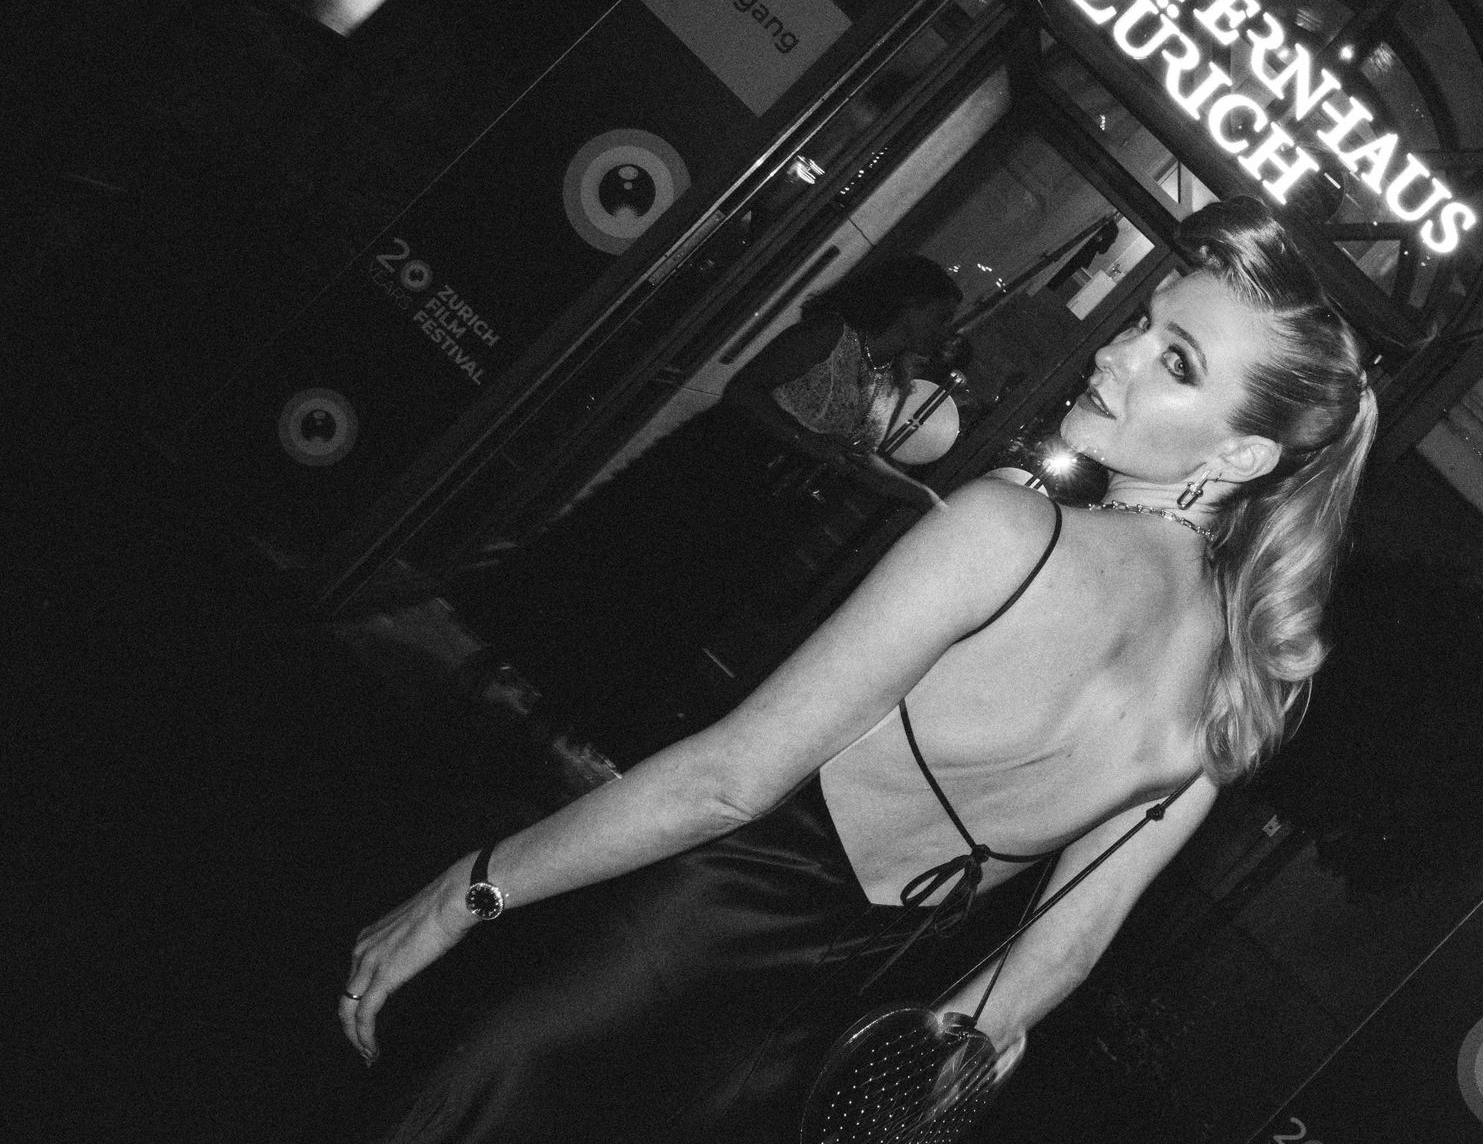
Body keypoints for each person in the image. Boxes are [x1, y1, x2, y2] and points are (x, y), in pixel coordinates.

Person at [339, 197, 1377, 1142]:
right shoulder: (1237, 688)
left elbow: (725, 781)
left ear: (1241, 454)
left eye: (1176, 361)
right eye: (1144, 321)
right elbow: (1057, 952)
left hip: (634, 959)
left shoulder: (1007, 532)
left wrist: (467, 891)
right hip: (794, 1063)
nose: (1115, 354)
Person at [444, 256, 963, 757]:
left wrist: (923, 497)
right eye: (940, 316)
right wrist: (812, 447)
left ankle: (557, 714)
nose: (945, 330)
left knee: (666, 612)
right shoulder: (828, 336)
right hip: (715, 472)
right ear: (907, 304)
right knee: (616, 575)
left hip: (767, 508)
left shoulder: (890, 376)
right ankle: (504, 672)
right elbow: (742, 393)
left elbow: (857, 456)